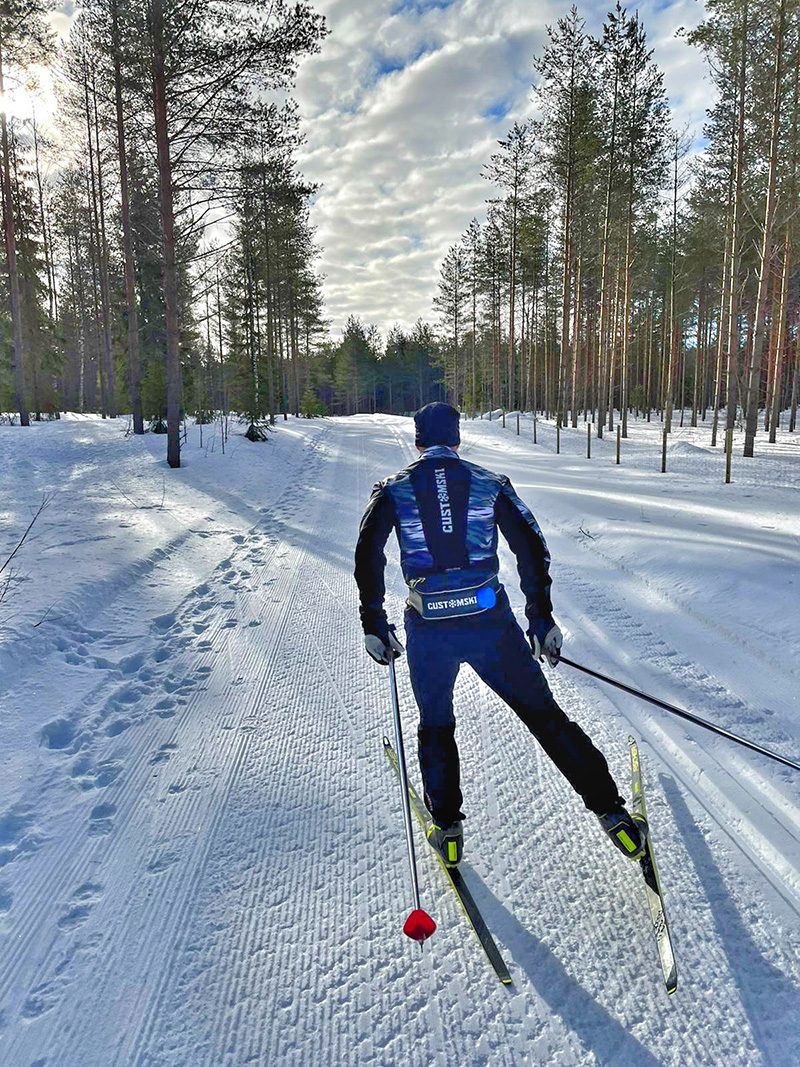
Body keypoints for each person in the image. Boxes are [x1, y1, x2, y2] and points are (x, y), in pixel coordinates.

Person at [354, 402, 647, 867]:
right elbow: (532, 548)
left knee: (436, 724)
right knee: (545, 718)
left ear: (417, 443)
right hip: (491, 626)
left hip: (430, 630)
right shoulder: (491, 484)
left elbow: (368, 552)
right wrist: (541, 619)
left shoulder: (394, 488)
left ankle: (447, 827)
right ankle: (612, 814)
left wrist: (374, 623)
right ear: (457, 441)